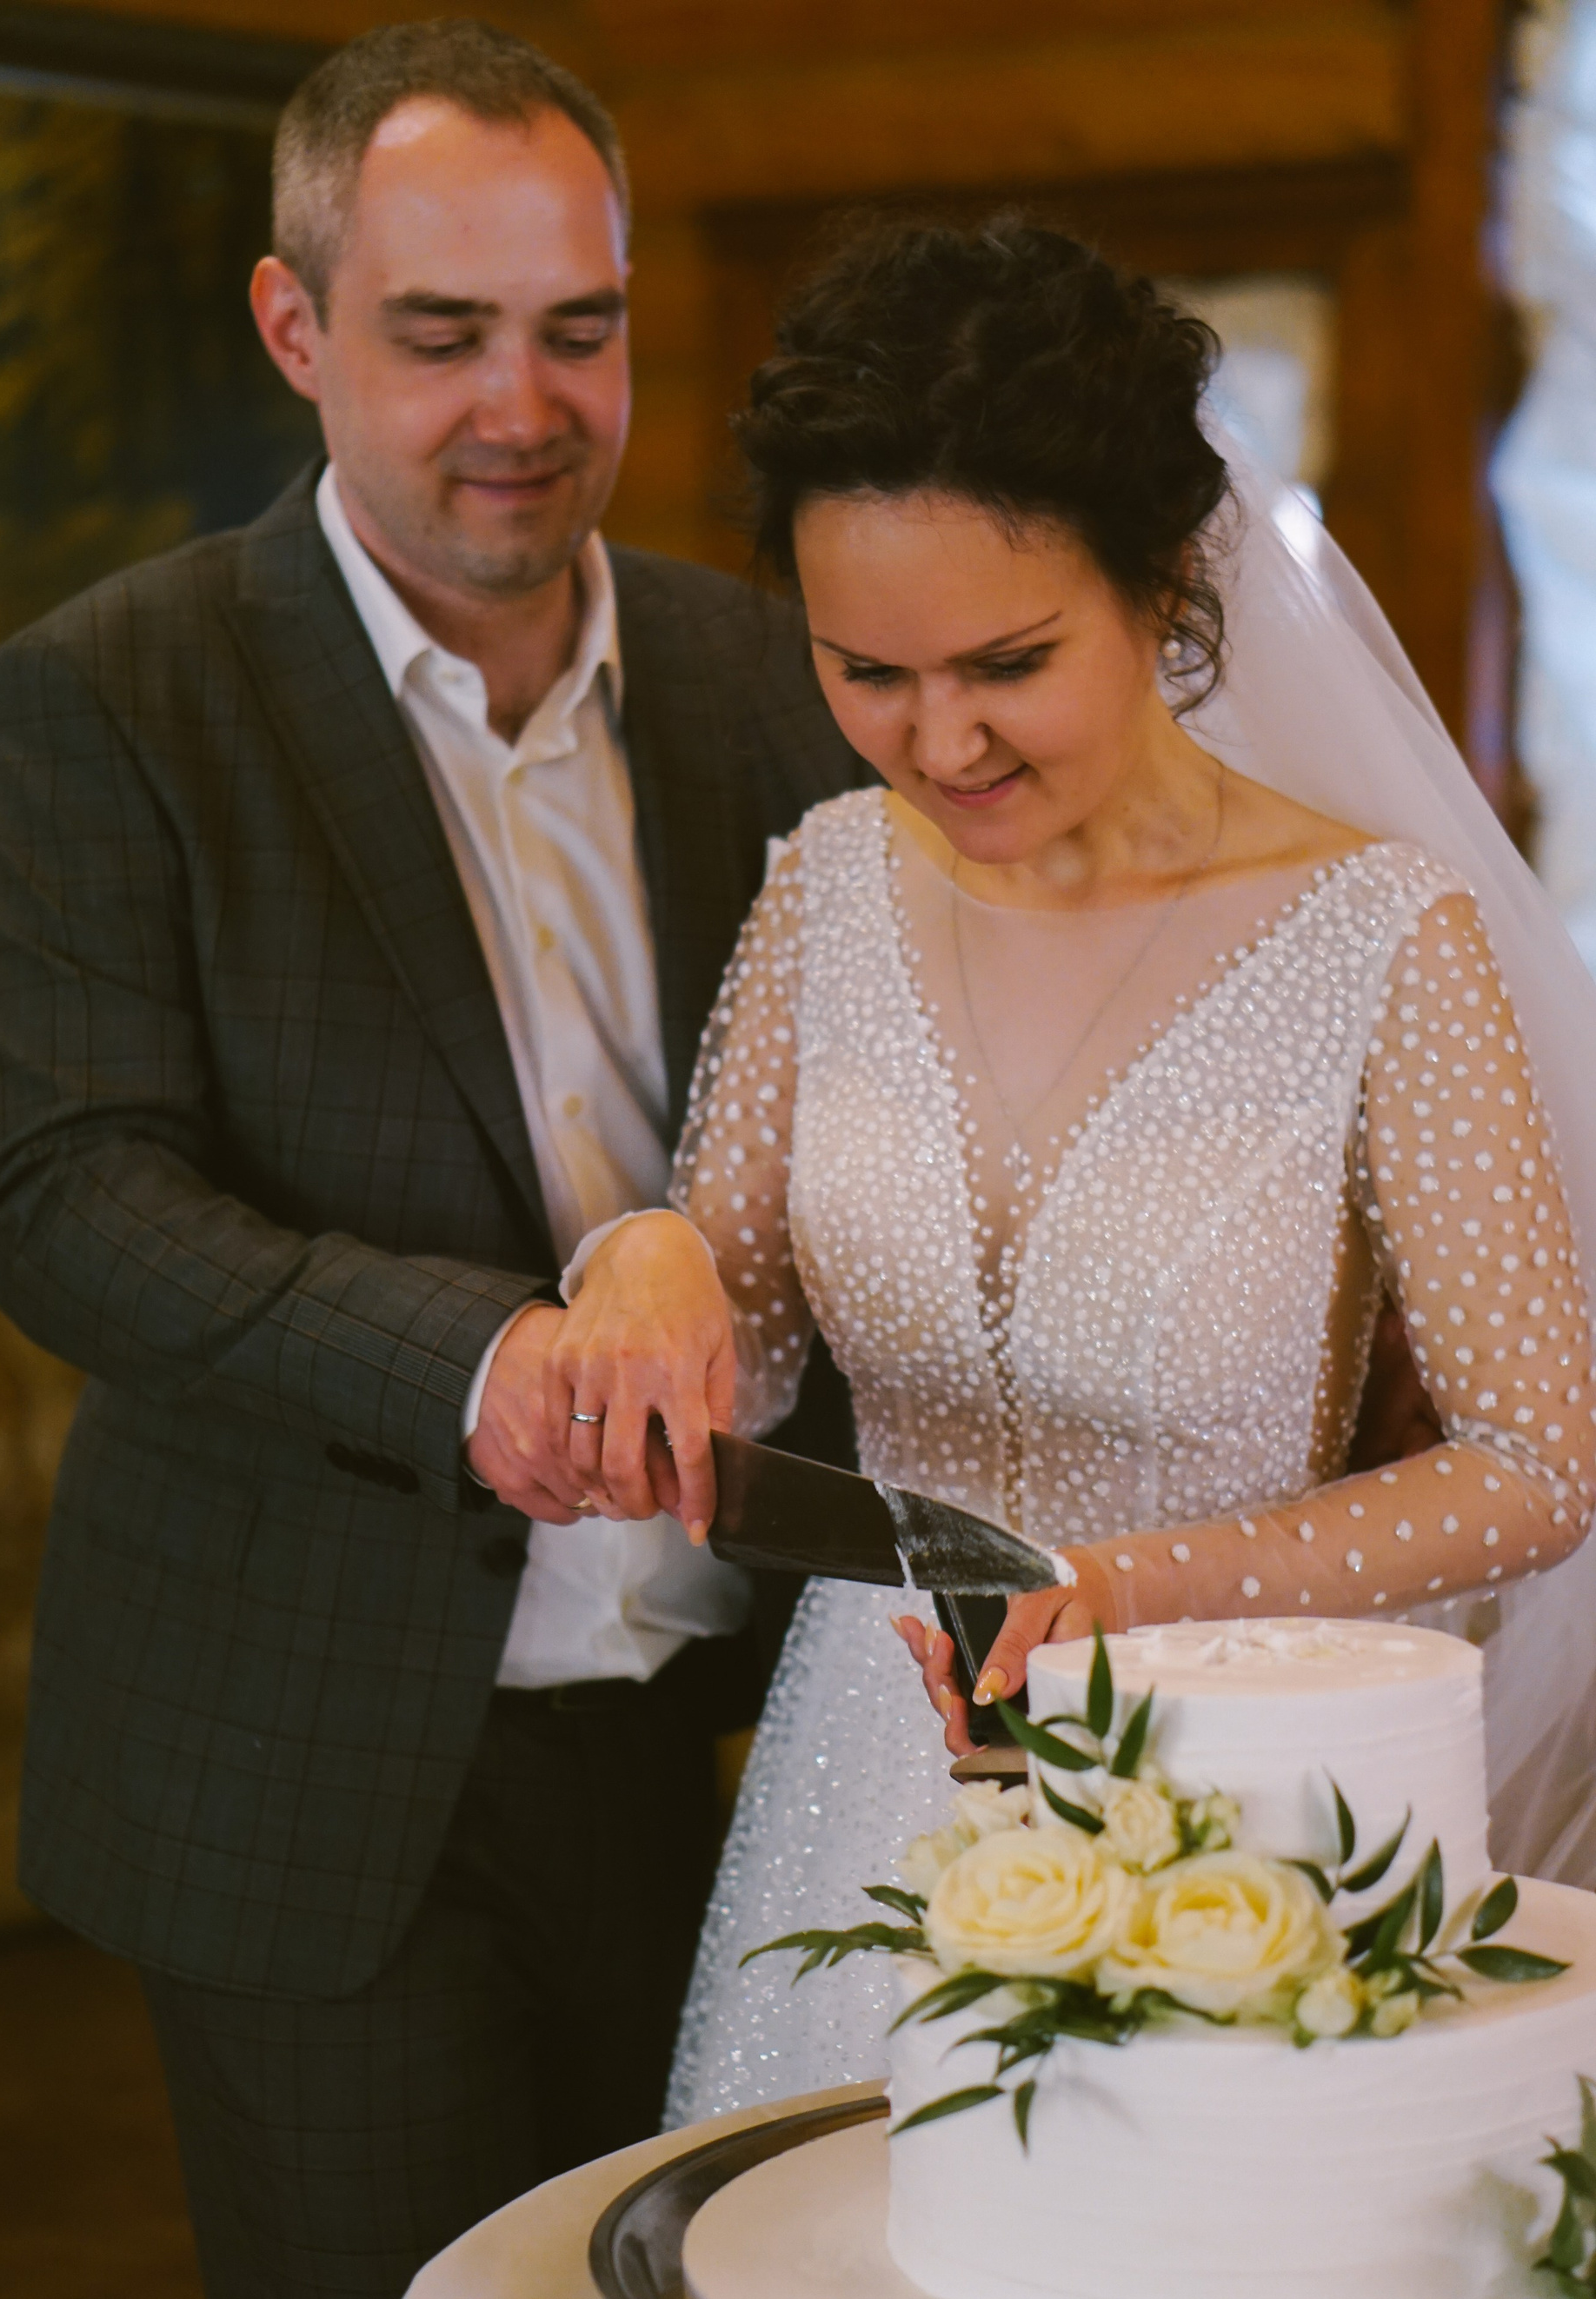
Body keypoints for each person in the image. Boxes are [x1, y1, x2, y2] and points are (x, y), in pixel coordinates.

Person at [0, 21, 863, 2299]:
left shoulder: (766, 673)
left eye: (580, 327)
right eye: (442, 333)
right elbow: (64, 1192)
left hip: (727, 1750)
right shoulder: (113, 695)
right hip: (324, 1757)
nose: (522, 406)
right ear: (297, 326)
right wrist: (489, 1356)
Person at [539, 213, 1596, 2127]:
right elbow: (742, 1348)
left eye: (1008, 663)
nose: (938, 740)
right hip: (870, 1763)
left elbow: (1541, 1459)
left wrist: (1123, 1591)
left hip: (1238, 1785)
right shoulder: (828, 886)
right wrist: (646, 1259)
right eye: (866, 671)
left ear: (1166, 588)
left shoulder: (1381, 941)